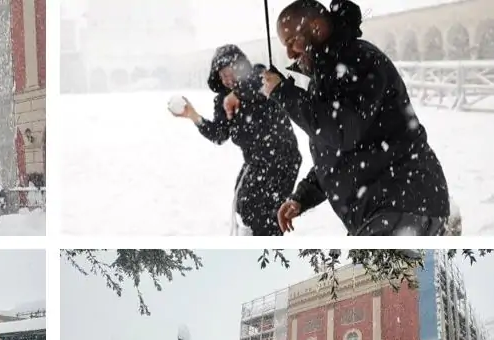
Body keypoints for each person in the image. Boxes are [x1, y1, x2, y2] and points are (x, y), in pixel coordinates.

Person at [261, 0, 451, 235]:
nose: (289, 53)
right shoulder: (327, 77)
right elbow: (336, 156)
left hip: (402, 202)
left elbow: (342, 131)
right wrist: (302, 197)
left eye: (291, 42)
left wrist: (283, 92)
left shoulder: (358, 60)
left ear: (317, 28)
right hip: (386, 209)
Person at [173, 44, 302, 236]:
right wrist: (193, 115)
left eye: (231, 72)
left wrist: (238, 93)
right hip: (255, 161)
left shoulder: (260, 77)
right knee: (243, 205)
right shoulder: (223, 101)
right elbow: (219, 135)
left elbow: (258, 82)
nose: (227, 80)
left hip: (282, 158)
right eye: (222, 76)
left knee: (262, 212)